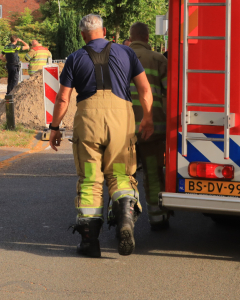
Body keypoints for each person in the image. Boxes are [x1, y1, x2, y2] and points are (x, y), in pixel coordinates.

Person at [48, 14, 153, 258]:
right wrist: (147, 117)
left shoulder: (75, 58)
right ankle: (126, 217)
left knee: (90, 179)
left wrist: (55, 127)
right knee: (120, 174)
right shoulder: (127, 54)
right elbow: (145, 89)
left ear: (82, 34)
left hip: (88, 122)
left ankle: (89, 242)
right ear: (104, 31)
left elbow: (63, 98)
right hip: (120, 122)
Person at [128, 22, 169, 230]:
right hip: (152, 130)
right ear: (147, 38)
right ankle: (157, 218)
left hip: (123, 131)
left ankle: (125, 219)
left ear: (131, 37)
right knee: (153, 174)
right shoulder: (158, 59)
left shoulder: (117, 58)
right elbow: (170, 93)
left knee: (125, 176)